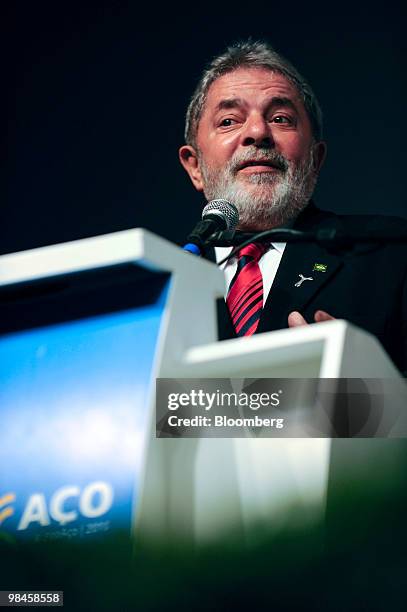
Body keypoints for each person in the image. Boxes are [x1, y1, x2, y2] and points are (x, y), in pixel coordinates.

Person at [178, 40, 407, 374]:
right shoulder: (158, 293)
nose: (257, 132)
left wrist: (368, 395)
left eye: (281, 118)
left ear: (315, 159)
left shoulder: (390, 255)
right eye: (229, 121)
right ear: (194, 166)